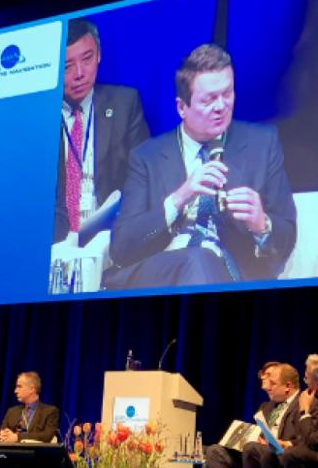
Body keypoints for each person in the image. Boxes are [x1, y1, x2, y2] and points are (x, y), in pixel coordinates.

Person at [106, 43, 297, 288]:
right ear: (181, 107)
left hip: (228, 274)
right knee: (196, 259)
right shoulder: (147, 157)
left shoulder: (262, 144)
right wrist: (179, 198)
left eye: (227, 94)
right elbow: (121, 248)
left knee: (202, 260)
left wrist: (262, 224)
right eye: (209, 99)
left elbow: (287, 236)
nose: (221, 106)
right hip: (162, 273)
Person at [53, 17, 151, 243]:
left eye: (87, 59)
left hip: (109, 236)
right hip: (54, 241)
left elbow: (145, 177)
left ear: (99, 55)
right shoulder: (40, 120)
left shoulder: (125, 104)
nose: (79, 73)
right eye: (67, 66)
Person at [205, 362, 309, 468]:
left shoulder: (305, 404)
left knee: (252, 448)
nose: (265, 387)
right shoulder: (266, 406)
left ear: (288, 386)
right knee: (215, 451)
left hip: (279, 457)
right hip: (254, 455)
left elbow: (308, 439)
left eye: (272, 383)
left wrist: (281, 443)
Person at [0, 372, 59, 443]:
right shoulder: (12, 411)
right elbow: (2, 432)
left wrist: (17, 437)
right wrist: (3, 435)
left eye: (19, 387)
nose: (15, 391)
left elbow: (47, 435)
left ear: (31, 389)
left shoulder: (50, 411)